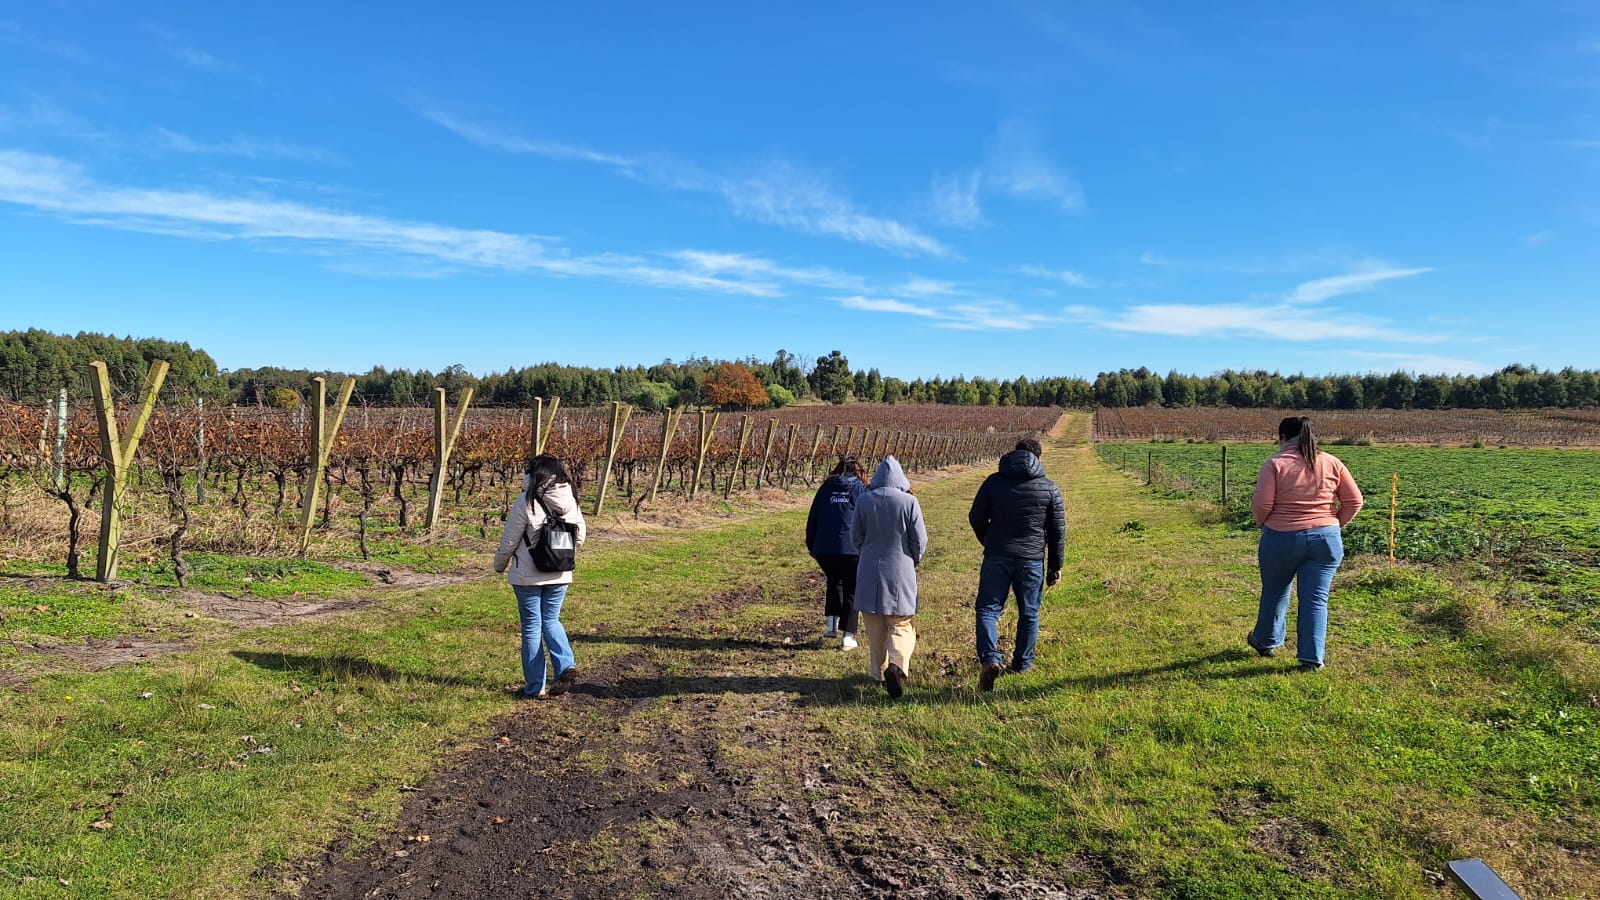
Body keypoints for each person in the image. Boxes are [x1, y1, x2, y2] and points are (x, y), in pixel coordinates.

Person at [1248, 416, 1364, 672]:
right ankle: (1311, 658)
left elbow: (1262, 505)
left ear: (1282, 437)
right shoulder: (1332, 462)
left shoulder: (1275, 463)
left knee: (1276, 591)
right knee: (1316, 599)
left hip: (1282, 538)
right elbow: (1355, 501)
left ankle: (1265, 640)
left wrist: (1262, 523)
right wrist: (1334, 525)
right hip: (1326, 540)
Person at [968, 438, 1065, 692]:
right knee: (1029, 612)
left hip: (997, 556)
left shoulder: (993, 482)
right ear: (1038, 458)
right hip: (1031, 559)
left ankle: (990, 658)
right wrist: (1055, 566)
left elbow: (976, 516)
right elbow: (1056, 531)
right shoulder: (1048, 488)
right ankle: (1022, 662)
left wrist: (988, 540)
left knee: (988, 609)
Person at [493, 455, 588, 697]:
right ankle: (566, 665)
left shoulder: (526, 501)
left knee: (532, 627)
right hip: (560, 573)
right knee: (552, 620)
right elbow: (580, 537)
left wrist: (499, 565)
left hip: (527, 575)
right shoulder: (571, 500)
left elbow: (510, 540)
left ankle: (536, 687)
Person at [850, 456, 927, 698]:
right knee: (901, 623)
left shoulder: (863, 500)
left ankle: (879, 673)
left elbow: (855, 536)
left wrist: (866, 552)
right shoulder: (909, 502)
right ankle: (897, 666)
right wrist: (913, 558)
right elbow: (920, 540)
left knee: (875, 627)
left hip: (868, 569)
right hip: (900, 569)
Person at [805, 455, 868, 650]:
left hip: (824, 548)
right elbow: (865, 519)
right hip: (852, 548)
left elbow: (813, 517)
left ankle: (831, 624)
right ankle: (848, 636)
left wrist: (812, 545)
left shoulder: (825, 488)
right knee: (852, 589)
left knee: (834, 580)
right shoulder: (861, 489)